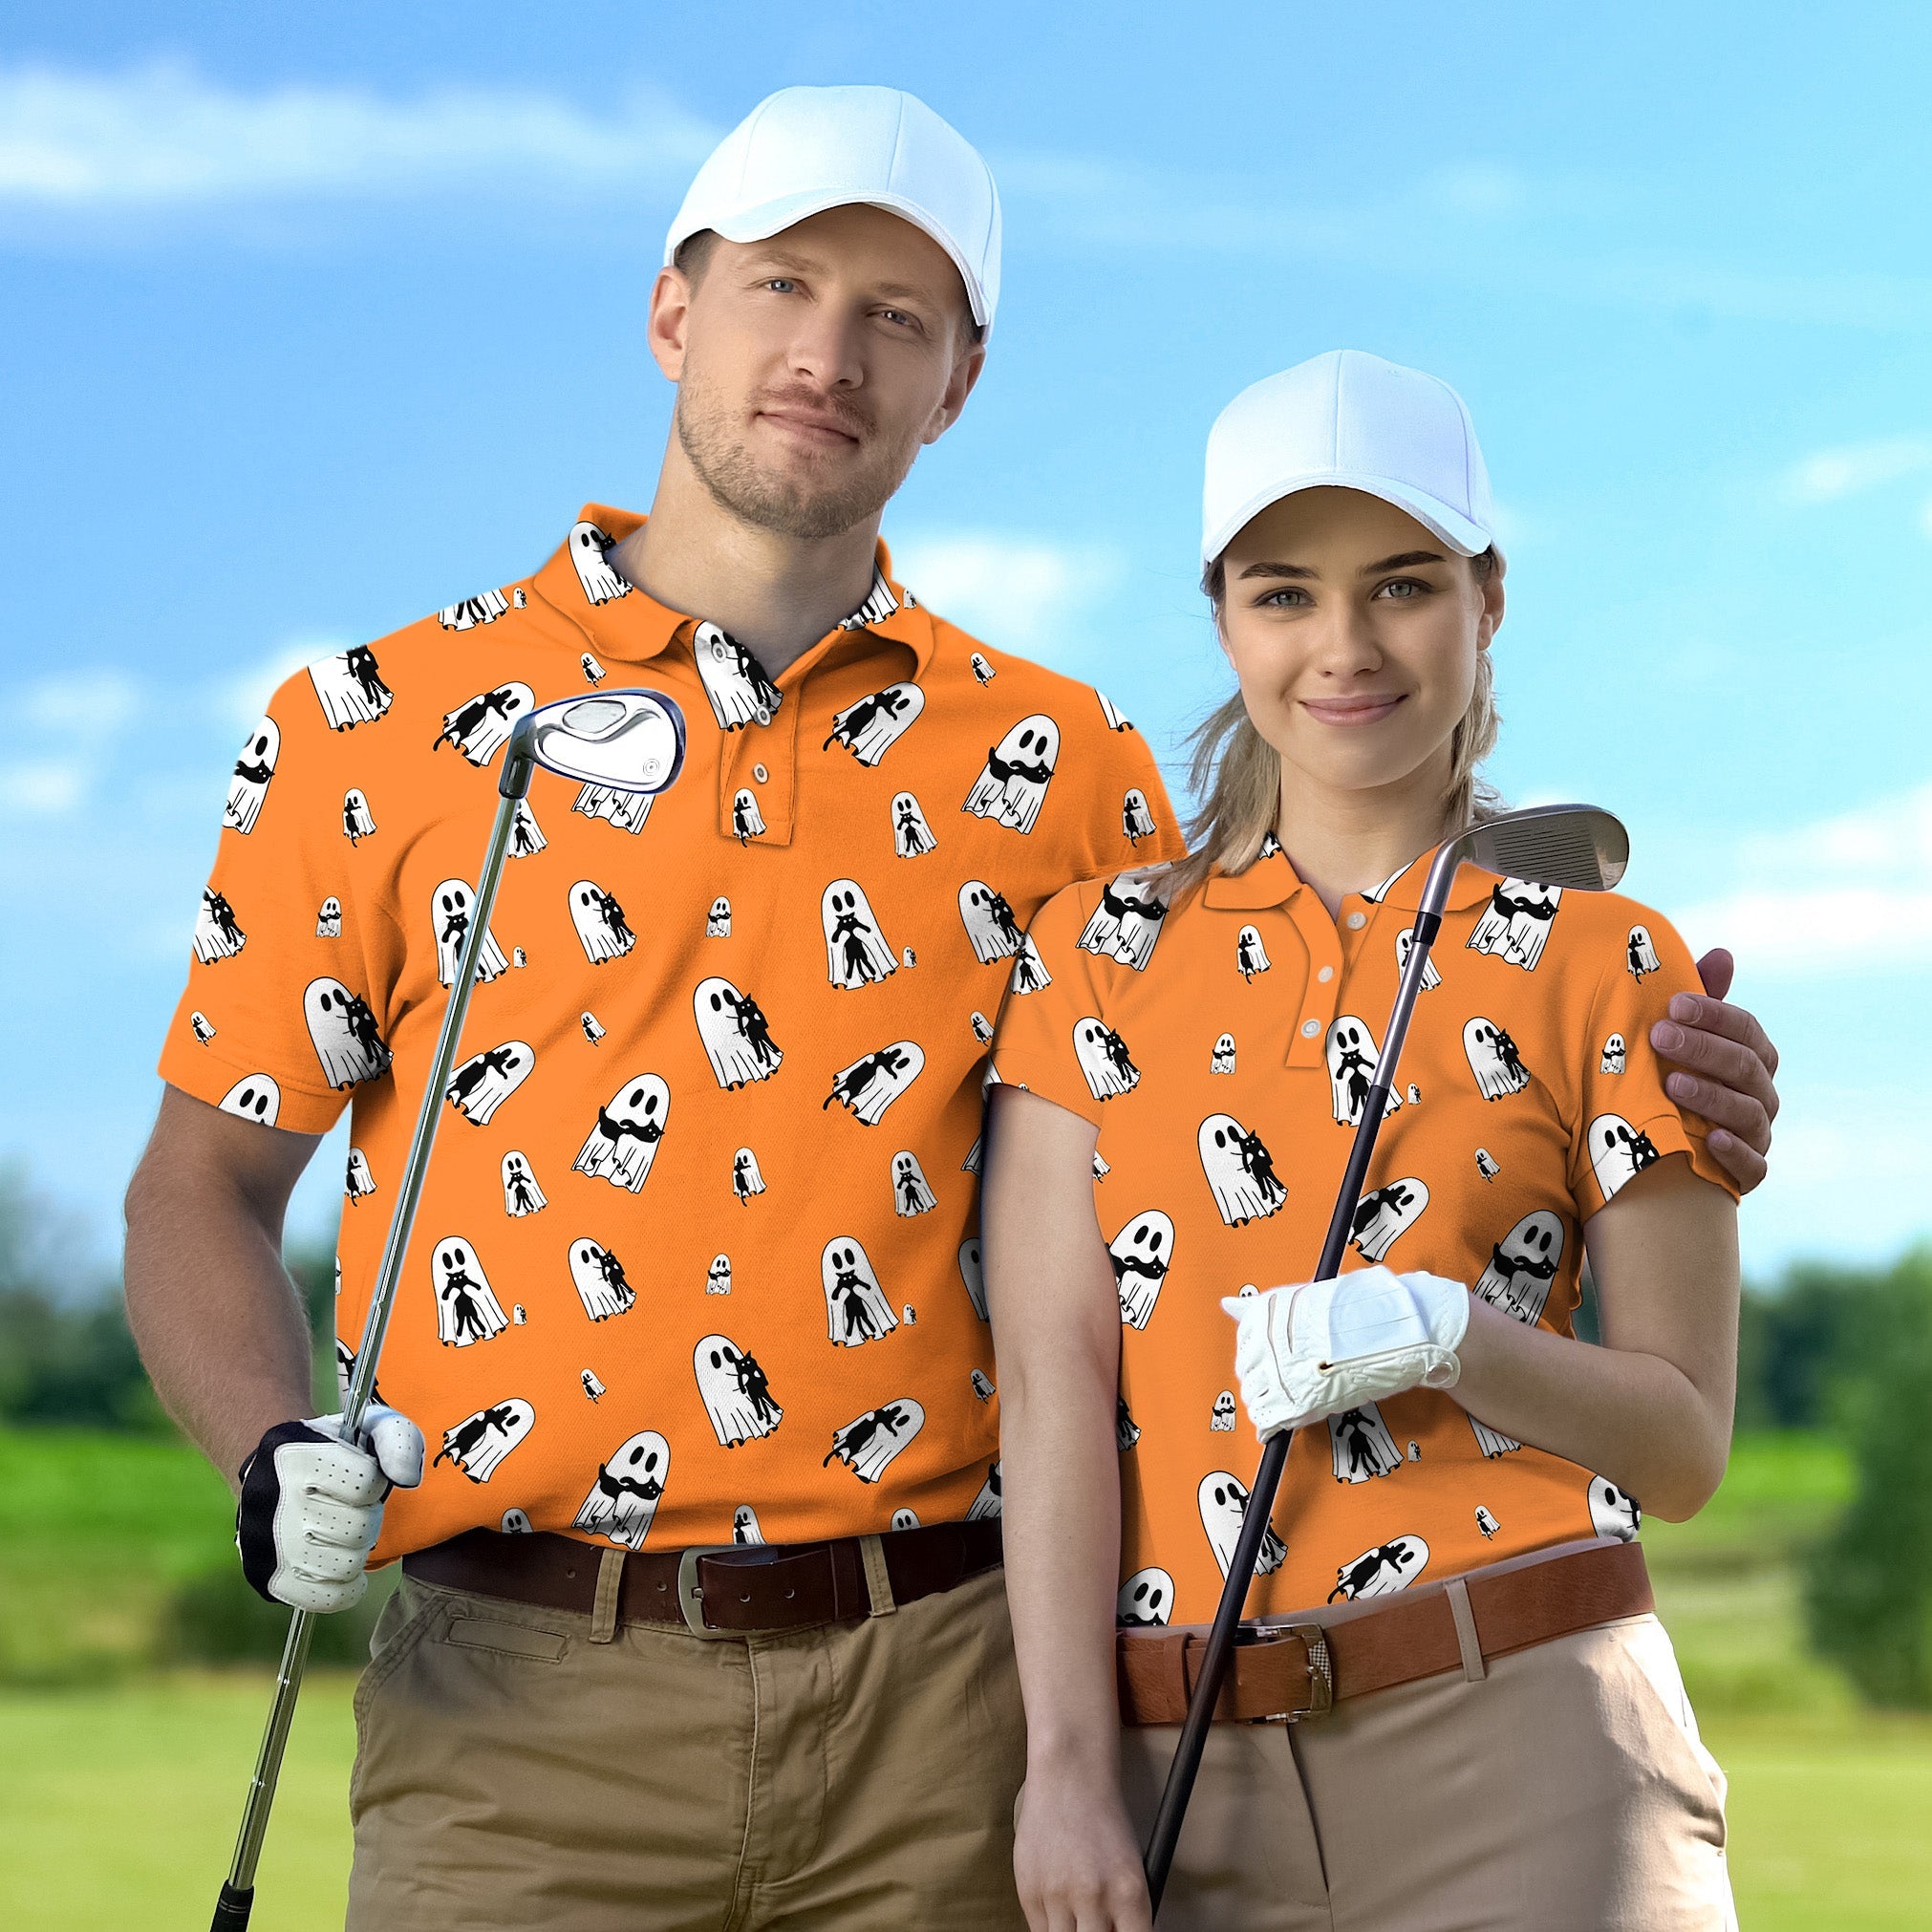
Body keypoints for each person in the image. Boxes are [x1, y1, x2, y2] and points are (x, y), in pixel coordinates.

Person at [118, 84, 1779, 1925]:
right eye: (780, 287)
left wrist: (1638, 1030)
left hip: (946, 1699)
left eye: (894, 317)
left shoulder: (1060, 763)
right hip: (516, 1705)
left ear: (959, 379)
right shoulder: (378, 726)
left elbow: (1296, 960)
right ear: (673, 310)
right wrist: (270, 1452)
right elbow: (199, 1183)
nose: (826, 355)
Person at [986, 351, 1752, 1930]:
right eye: (1284, 595)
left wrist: (1444, 1335)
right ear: (1221, 617)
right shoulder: (1092, 956)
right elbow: (1054, 1382)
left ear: (1485, 599)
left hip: (1531, 1733)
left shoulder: (1605, 957)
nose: (1342, 647)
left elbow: (1679, 1446)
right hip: (1185, 1769)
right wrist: (1062, 1764)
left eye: (1400, 586)